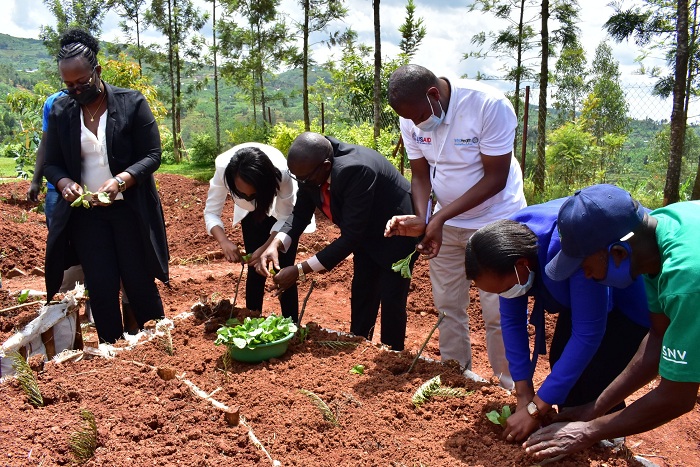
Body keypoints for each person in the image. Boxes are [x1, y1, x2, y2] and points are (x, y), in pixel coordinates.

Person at [523, 184, 700, 461]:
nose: (587, 276)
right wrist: (591, 409)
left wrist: (588, 431)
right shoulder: (660, 233)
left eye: (586, 265)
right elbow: (657, 336)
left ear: (618, 252)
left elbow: (677, 397)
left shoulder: (685, 280)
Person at [384, 64, 526, 387]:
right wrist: (423, 218)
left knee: (499, 312)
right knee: (448, 304)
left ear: (434, 95)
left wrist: (439, 217)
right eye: (409, 120)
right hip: (445, 221)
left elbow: (496, 179)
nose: (416, 124)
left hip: (496, 220)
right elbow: (419, 175)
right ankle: (456, 375)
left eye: (419, 116)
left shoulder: (487, 106)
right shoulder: (411, 116)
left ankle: (509, 386)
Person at [464, 199, 649, 443]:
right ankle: (575, 431)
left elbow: (588, 334)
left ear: (522, 265)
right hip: (583, 295)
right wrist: (523, 394)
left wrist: (535, 409)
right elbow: (512, 322)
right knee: (563, 364)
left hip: (630, 292)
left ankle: (607, 441)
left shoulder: (573, 252)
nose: (504, 295)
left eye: (506, 288)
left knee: (597, 375)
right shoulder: (505, 249)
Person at [43, 28, 169, 344]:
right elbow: (50, 161)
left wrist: (121, 180)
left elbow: (153, 154)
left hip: (129, 209)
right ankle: (111, 350)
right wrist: (64, 181)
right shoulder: (61, 111)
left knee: (138, 279)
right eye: (68, 85)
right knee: (101, 283)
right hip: (87, 215)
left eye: (81, 83)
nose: (75, 90)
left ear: (97, 71)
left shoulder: (131, 103)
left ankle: (157, 343)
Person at [258, 132, 417, 350]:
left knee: (391, 300)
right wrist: (276, 242)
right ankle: (359, 346)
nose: (303, 183)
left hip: (397, 233)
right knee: (363, 291)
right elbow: (301, 213)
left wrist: (300, 270)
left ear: (325, 166)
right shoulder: (310, 166)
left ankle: (392, 358)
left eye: (305, 179)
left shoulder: (355, 170)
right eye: (298, 178)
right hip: (366, 232)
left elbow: (351, 236)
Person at [204, 143, 305, 321]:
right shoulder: (223, 168)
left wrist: (267, 247)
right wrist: (223, 241)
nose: (249, 198)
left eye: (253, 195)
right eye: (242, 194)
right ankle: (252, 321)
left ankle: (291, 325)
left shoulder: (282, 174)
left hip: (282, 212)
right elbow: (211, 211)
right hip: (250, 216)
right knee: (254, 267)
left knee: (283, 269)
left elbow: (286, 218)